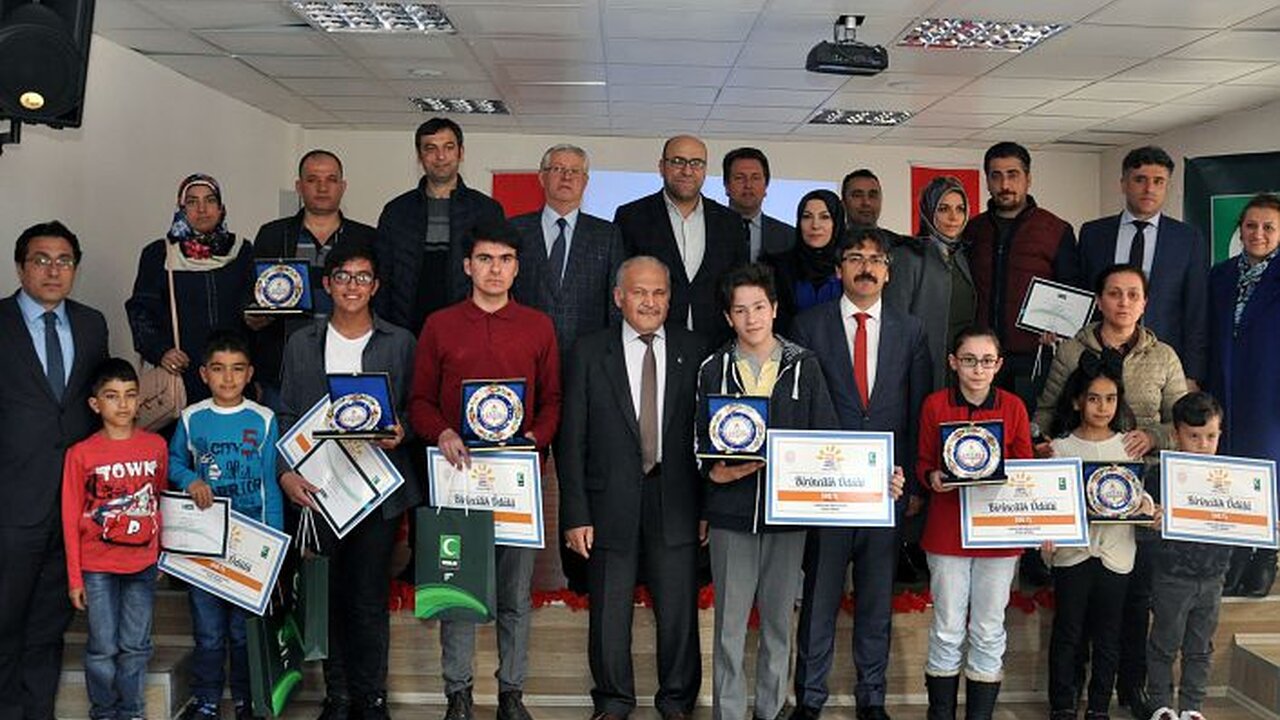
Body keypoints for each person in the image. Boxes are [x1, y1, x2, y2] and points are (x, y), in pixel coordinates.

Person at [409, 219, 561, 720]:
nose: (495, 269)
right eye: (485, 259)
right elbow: (420, 401)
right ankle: (458, 694)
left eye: (505, 260)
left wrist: (536, 438)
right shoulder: (440, 325)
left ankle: (511, 694)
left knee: (516, 594)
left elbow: (553, 400)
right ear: (467, 266)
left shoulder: (538, 326)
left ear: (517, 268)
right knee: (458, 590)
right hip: (458, 481)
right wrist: (442, 432)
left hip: (517, 483)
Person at [557, 256, 708, 720]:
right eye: (639, 292)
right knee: (609, 610)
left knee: (678, 610)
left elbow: (707, 435)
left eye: (659, 292)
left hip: (677, 500)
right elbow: (571, 439)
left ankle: (677, 701)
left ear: (670, 298)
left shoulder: (695, 349)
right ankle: (613, 701)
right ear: (619, 297)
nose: (649, 301)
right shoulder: (588, 351)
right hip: (608, 503)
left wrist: (707, 507)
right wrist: (576, 513)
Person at [1034, 263, 1188, 716]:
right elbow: (1047, 409)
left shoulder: (1164, 356)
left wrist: (1152, 436)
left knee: (1133, 603)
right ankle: (1068, 699)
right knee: (1074, 619)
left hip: (1140, 487)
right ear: (1099, 299)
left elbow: (1181, 422)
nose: (1124, 302)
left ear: (1145, 303)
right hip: (1077, 488)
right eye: (1115, 293)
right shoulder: (1072, 350)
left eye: (1133, 294)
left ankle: (1127, 691)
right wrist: (1039, 445)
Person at [789, 229, 930, 720]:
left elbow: (916, 409)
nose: (866, 267)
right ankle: (809, 699)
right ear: (839, 270)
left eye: (875, 259)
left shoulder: (911, 330)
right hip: (826, 491)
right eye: (855, 258)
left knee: (875, 602)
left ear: (888, 272)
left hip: (886, 491)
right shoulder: (808, 326)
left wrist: (912, 485)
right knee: (819, 599)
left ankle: (872, 699)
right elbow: (799, 408)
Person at [277, 241, 421, 720]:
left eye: (362, 277)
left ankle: (371, 696)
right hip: (320, 490)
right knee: (330, 595)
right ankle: (337, 696)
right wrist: (285, 473)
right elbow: (286, 414)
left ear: (375, 286)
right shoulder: (302, 343)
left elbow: (416, 408)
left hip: (377, 493)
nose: (352, 286)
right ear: (327, 284)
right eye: (343, 276)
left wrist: (402, 430)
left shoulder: (399, 341)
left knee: (368, 598)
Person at [693, 264, 842, 720]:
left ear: (774, 309)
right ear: (727, 317)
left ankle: (771, 710)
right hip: (731, 516)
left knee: (778, 624)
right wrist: (717, 474)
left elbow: (827, 439)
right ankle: (729, 714)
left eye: (759, 307)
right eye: (740, 310)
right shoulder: (713, 368)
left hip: (788, 517)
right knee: (729, 628)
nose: (751, 318)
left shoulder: (804, 365)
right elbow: (697, 441)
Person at [0, 221, 109, 720]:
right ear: (20, 267)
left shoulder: (91, 324)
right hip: (11, 502)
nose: (53, 270)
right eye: (41, 260)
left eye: (64, 261)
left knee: (49, 626)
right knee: (5, 622)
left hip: (72, 506)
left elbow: (93, 407)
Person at [916, 326, 1033, 720]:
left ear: (999, 364)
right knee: (947, 626)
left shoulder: (1013, 407)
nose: (978, 369)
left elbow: (1026, 468)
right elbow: (923, 461)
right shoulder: (935, 405)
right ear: (953, 362)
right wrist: (932, 477)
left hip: (998, 533)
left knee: (988, 627)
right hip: (947, 531)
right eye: (969, 360)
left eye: (986, 361)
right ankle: (941, 714)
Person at [169, 331, 282, 720]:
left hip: (250, 542)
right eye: (218, 369)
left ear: (249, 373)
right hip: (204, 543)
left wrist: (274, 547)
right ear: (204, 374)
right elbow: (174, 462)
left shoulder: (264, 419)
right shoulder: (192, 417)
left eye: (237, 369)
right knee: (208, 630)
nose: (228, 378)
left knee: (243, 630)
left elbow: (270, 485)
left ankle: (248, 699)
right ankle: (206, 700)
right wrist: (190, 480)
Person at [1043, 355, 1149, 720]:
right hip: (1071, 554)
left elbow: (1137, 496)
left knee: (1108, 634)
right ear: (1077, 401)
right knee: (1068, 631)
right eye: (1093, 398)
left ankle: (1099, 706)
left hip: (1116, 555)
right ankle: (1062, 704)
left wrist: (1151, 508)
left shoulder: (1128, 447)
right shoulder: (1060, 449)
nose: (1102, 407)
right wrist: (1045, 536)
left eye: (1110, 399)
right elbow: (1049, 502)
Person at [61, 358, 168, 720]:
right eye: (112, 396)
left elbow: (159, 501)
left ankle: (132, 711)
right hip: (97, 567)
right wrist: (75, 578)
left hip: (142, 564)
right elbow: (70, 517)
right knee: (103, 647)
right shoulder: (81, 454)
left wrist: (159, 554)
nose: (123, 404)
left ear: (139, 400)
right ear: (95, 404)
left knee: (136, 646)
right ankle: (104, 712)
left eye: (130, 395)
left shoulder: (155, 446)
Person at [248, 149, 379, 409]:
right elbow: (252, 294)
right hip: (284, 370)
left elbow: (380, 301)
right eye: (312, 180)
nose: (322, 187)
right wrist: (254, 315)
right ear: (299, 186)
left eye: (331, 179)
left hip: (350, 367)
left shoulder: (367, 238)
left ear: (343, 187)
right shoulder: (273, 235)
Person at [1136, 393, 1239, 720]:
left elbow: (1243, 516)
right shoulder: (1160, 476)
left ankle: (1192, 708)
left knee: (1200, 648)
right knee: (1164, 643)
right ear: (1176, 434)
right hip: (1171, 575)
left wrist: (1262, 522)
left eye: (1210, 436)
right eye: (1193, 436)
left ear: (1220, 434)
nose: (1203, 444)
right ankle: (1160, 705)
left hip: (1213, 575)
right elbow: (1143, 524)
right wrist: (1152, 520)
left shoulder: (1231, 478)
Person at [1078, 146, 1208, 388]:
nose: (1149, 189)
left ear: (1167, 186)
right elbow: (1083, 296)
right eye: (1140, 180)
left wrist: (1192, 375)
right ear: (1123, 184)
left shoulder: (1188, 239)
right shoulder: (1093, 234)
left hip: (1162, 366)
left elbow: (1196, 311)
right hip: (1098, 361)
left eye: (1158, 181)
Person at [963, 141, 1080, 409]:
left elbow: (1072, 290)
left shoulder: (1055, 229)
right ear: (987, 181)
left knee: (1028, 430)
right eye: (996, 176)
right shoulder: (973, 230)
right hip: (979, 359)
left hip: (1033, 359)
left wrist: (1058, 327)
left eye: (1013, 175)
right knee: (980, 430)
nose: (1005, 184)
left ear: (1028, 179)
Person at [126, 173, 255, 406]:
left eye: (210, 200)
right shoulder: (159, 254)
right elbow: (141, 310)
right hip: (182, 375)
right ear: (181, 209)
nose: (202, 209)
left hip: (233, 377)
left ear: (221, 208)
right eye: (192, 202)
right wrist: (161, 351)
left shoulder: (241, 251)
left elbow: (253, 310)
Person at [1208, 192, 1280, 598]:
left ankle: (1265, 555)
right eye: (1251, 225)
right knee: (1230, 470)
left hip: (1268, 388)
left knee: (1268, 471)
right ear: (1240, 229)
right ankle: (1235, 551)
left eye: (1269, 227)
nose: (1259, 233)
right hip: (1224, 386)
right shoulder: (1220, 275)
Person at [375, 117, 506, 334]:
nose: (441, 156)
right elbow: (383, 278)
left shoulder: (486, 210)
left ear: (461, 153)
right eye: (430, 148)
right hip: (406, 331)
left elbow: (498, 276)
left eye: (448, 147)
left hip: (469, 330)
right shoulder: (396, 211)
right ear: (419, 156)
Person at [614, 135, 749, 341]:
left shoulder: (730, 222)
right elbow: (621, 284)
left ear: (705, 169)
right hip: (653, 341)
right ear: (662, 167)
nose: (687, 171)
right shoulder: (631, 217)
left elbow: (740, 286)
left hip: (717, 341)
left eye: (696, 163)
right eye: (678, 161)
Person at [511, 143, 626, 361]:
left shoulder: (607, 235)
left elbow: (615, 304)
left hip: (589, 357)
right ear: (542, 177)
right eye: (558, 169)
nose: (566, 177)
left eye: (575, 171)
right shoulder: (515, 230)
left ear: (585, 181)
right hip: (524, 351)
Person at [884, 176, 976, 391]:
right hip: (921, 365)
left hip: (961, 366)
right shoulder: (908, 255)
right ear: (928, 210)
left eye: (960, 209)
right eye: (943, 209)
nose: (953, 217)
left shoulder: (963, 255)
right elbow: (894, 322)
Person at [760, 189, 845, 336]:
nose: (815, 225)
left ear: (836, 223)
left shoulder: (850, 266)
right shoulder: (776, 267)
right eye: (807, 217)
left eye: (824, 217)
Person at [722, 147, 793, 261]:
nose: (748, 185)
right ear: (726, 185)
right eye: (739, 178)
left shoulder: (789, 236)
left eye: (755, 178)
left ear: (766, 186)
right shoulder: (708, 230)